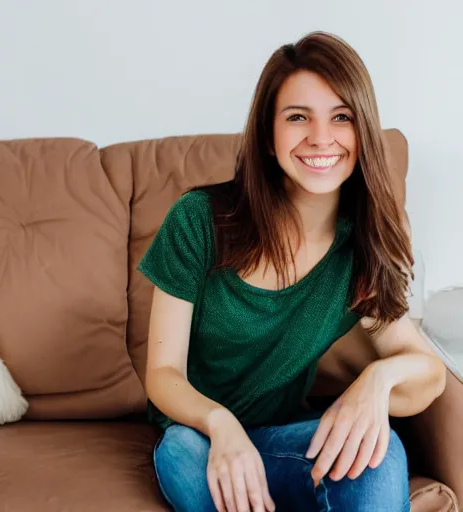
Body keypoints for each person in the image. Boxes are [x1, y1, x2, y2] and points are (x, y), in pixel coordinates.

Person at [138, 31, 446, 512]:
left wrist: (377, 381)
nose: (321, 138)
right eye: (298, 117)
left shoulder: (360, 246)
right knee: (179, 453)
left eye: (341, 117)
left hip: (286, 438)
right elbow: (162, 373)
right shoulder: (198, 220)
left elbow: (428, 373)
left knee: (383, 456)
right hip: (199, 436)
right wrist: (221, 425)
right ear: (267, 134)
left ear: (361, 131)